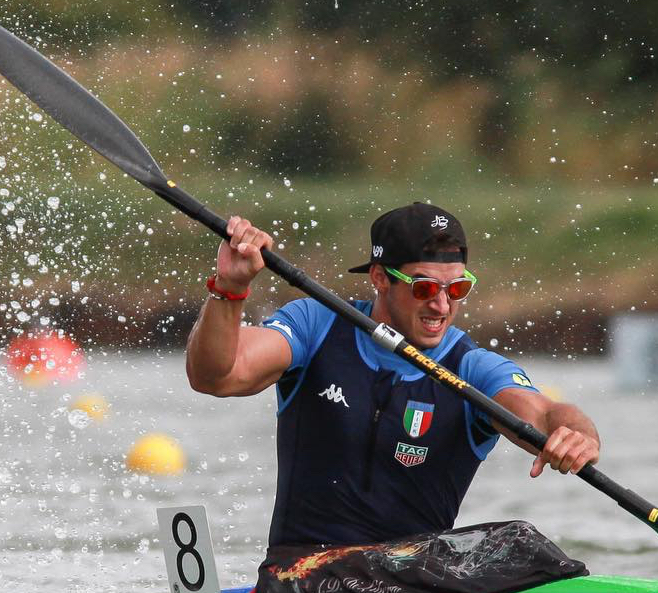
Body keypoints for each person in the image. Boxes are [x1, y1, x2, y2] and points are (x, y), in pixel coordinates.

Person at [186, 201, 601, 554]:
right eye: (424, 289)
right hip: (302, 581)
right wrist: (231, 287)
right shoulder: (316, 326)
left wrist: (577, 435)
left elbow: (547, 414)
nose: (441, 306)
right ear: (380, 278)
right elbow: (216, 377)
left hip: (415, 589)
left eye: (457, 290)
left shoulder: (470, 367)